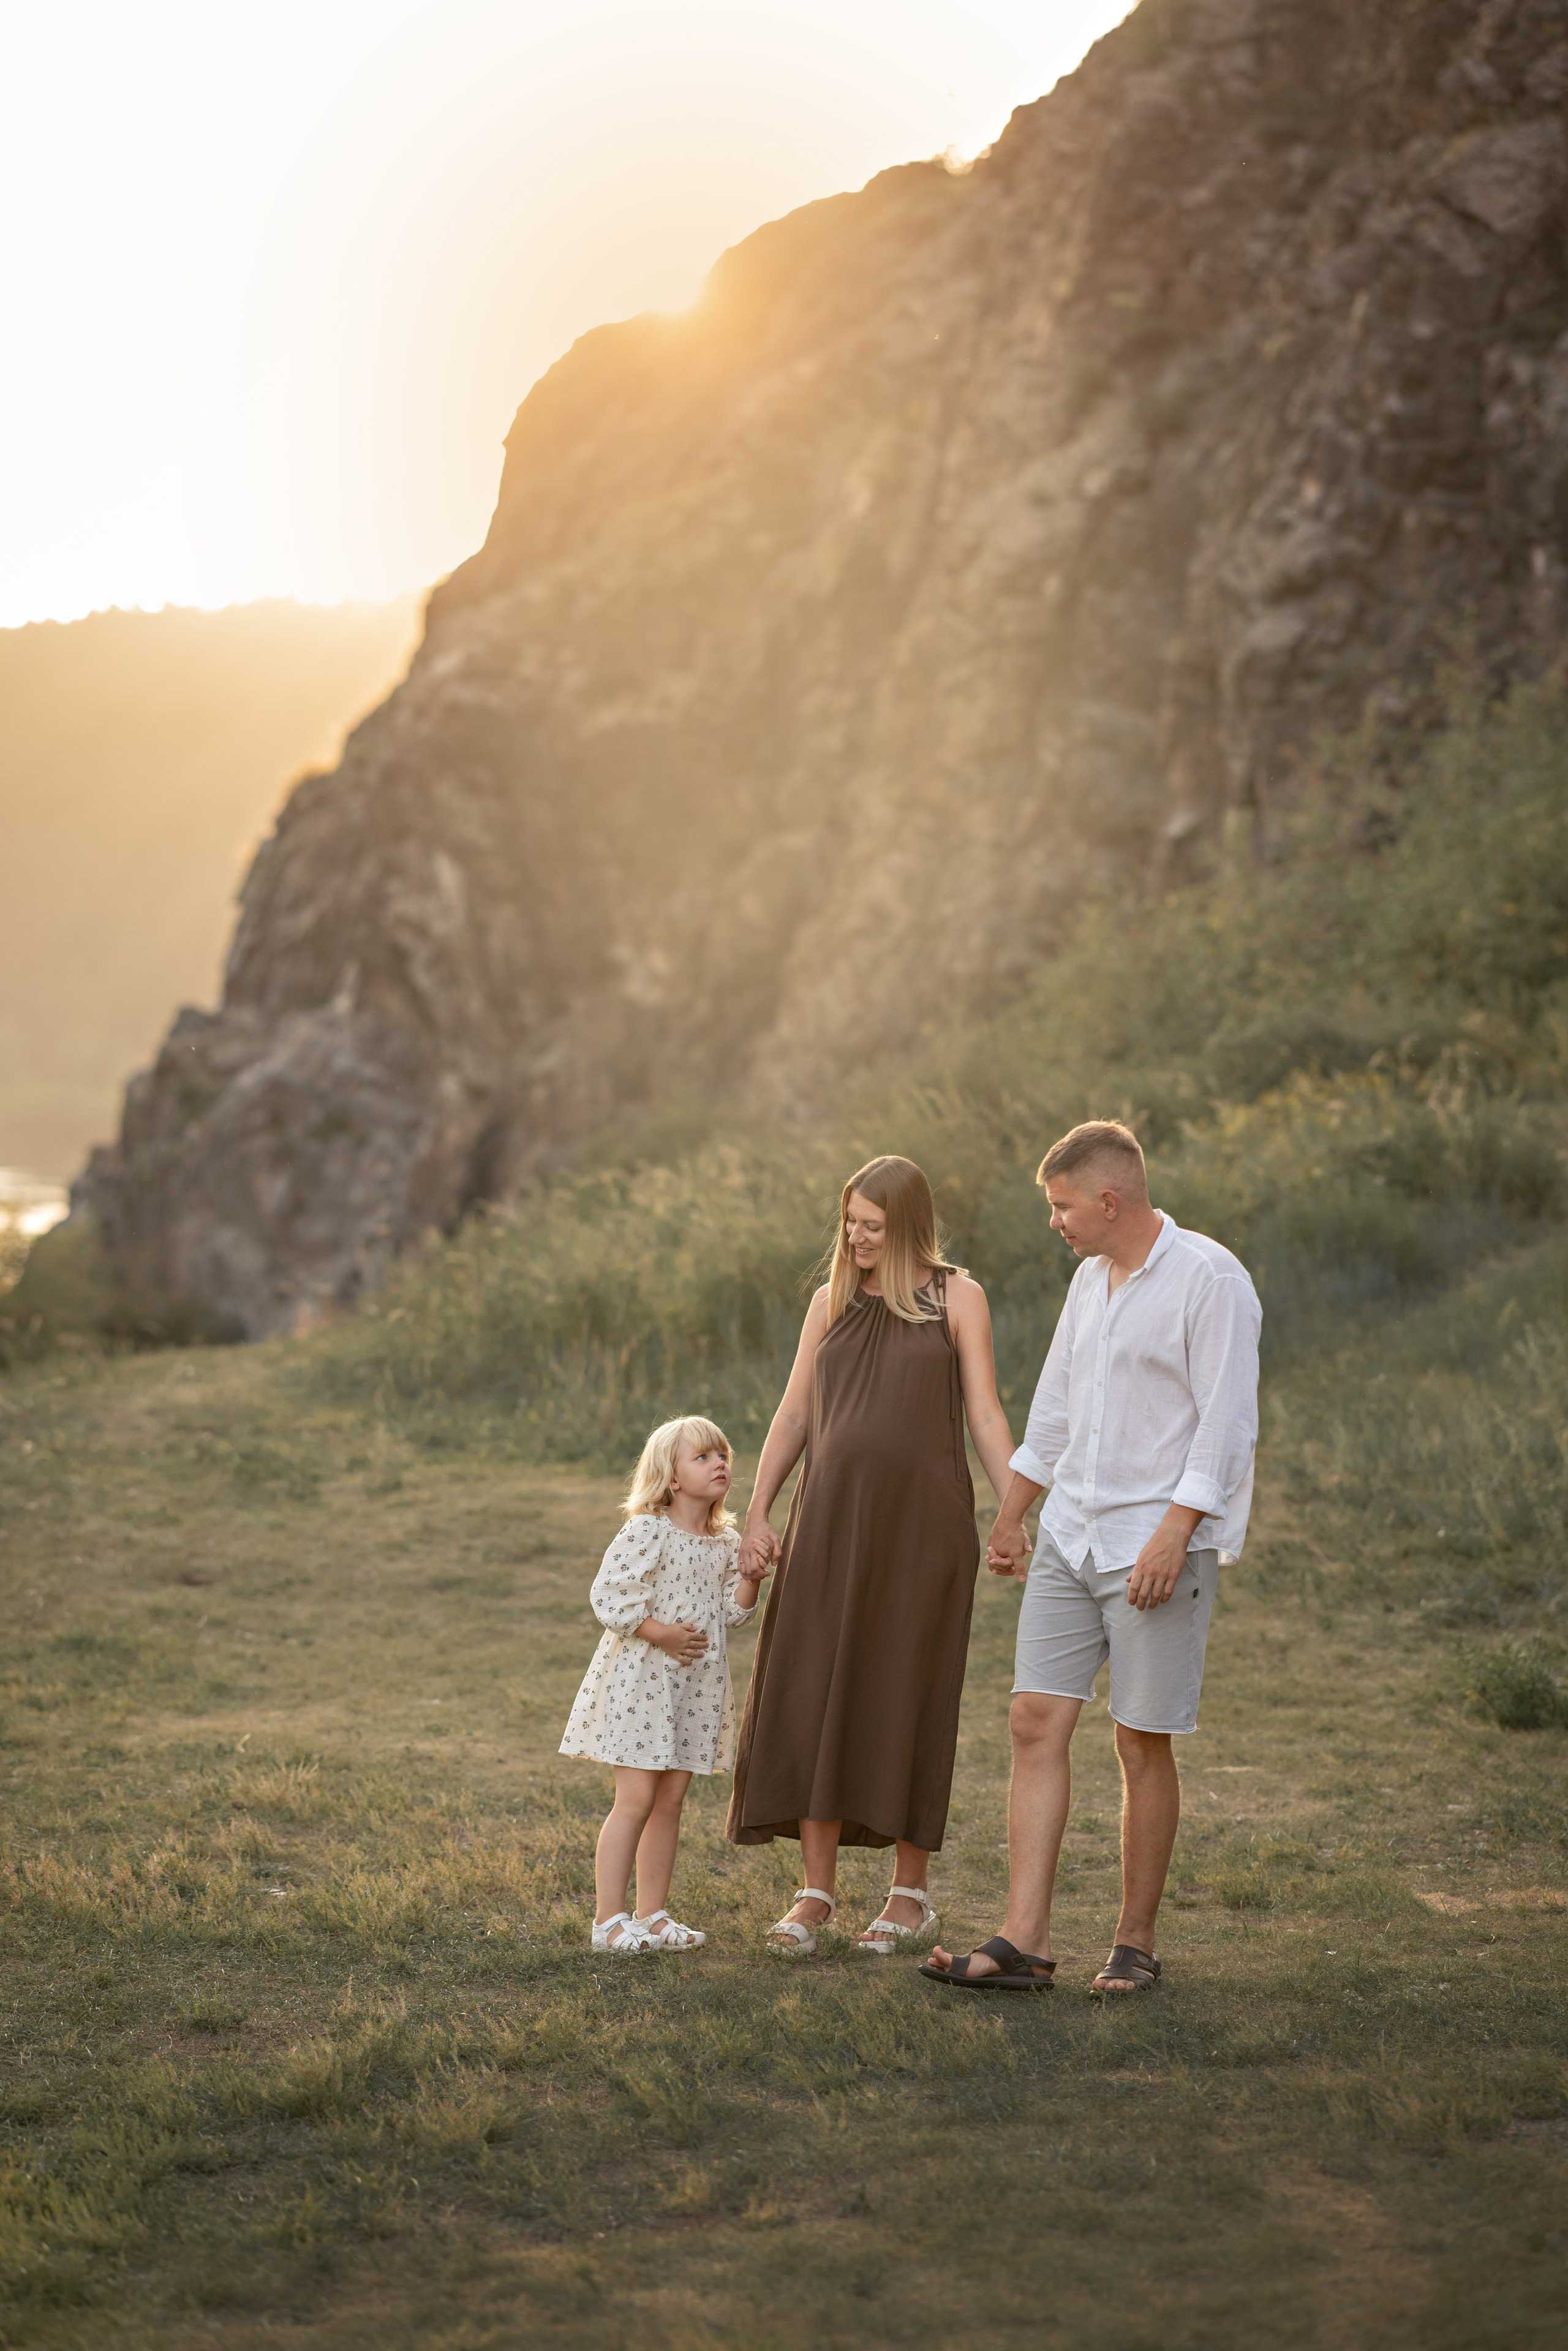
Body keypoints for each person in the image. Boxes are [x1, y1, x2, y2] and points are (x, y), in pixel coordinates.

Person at [922, 1120, 1260, 1995]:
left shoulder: (1211, 1279)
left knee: (1141, 1740)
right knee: (1035, 1720)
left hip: (1154, 1547)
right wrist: (1014, 1513)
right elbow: (1057, 1409)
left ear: (1110, 1200)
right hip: (1071, 1536)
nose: (1055, 1221)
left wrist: (1176, 1531)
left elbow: (1225, 1424)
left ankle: (1135, 1944)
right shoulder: (1089, 1279)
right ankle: (1024, 1940)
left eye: (1063, 1205)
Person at [727, 1155, 1017, 1955]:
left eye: (872, 1224)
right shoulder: (829, 1301)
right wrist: (756, 1511)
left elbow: (988, 1416)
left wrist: (1016, 1510)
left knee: (906, 1688)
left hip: (924, 1529)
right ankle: (814, 1892)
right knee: (816, 1685)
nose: (855, 1235)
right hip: (828, 1521)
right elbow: (794, 1414)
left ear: (910, 1225)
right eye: (849, 1220)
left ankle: (908, 1894)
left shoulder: (958, 1297)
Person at [560, 1415, 769, 1952]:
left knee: (671, 1800)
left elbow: (734, 1615)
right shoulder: (649, 1529)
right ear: (672, 1478)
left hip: (693, 1691)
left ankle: (652, 1914)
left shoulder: (724, 1542)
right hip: (644, 1683)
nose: (720, 1463)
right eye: (703, 1457)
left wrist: (749, 1576)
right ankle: (608, 1921)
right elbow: (610, 1596)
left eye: (723, 1454)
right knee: (635, 1800)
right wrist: (663, 1635)